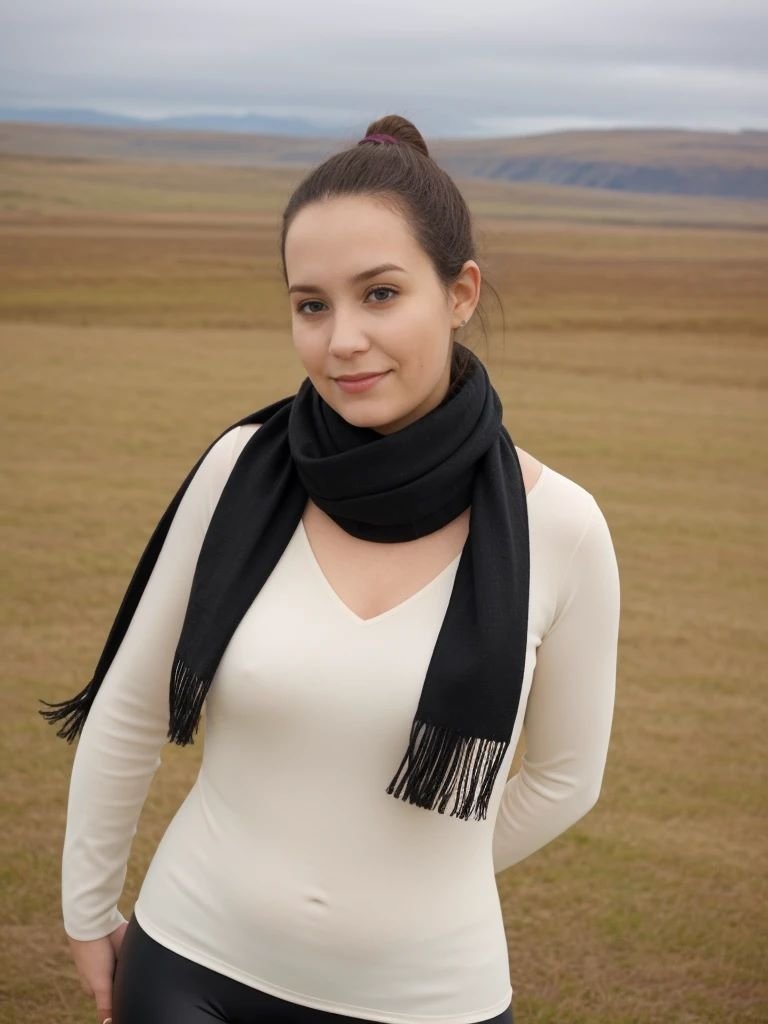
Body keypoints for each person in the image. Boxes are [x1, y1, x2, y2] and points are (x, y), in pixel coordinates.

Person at [41, 114, 621, 1024]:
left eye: (380, 294)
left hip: (427, 996)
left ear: (460, 293)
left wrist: (413, 876)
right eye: (311, 305)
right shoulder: (240, 470)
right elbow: (130, 706)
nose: (342, 339)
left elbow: (565, 778)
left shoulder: (563, 528)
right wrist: (87, 911)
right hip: (188, 964)